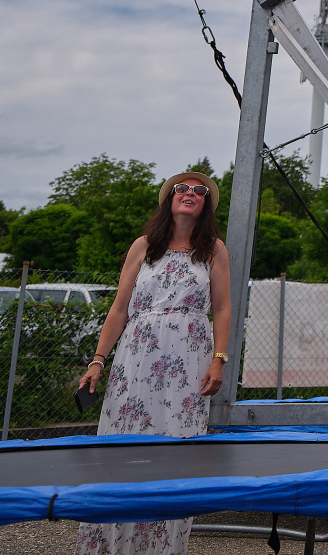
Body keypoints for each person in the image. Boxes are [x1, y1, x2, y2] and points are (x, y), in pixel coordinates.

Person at [74, 172, 233, 555]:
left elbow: (223, 307)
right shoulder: (144, 246)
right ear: (170, 199)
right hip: (137, 359)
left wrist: (219, 359)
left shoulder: (213, 249)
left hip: (189, 363)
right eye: (182, 189)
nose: (190, 194)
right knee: (123, 447)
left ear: (206, 204)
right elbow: (119, 308)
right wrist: (98, 360)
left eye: (199, 191)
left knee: (177, 449)